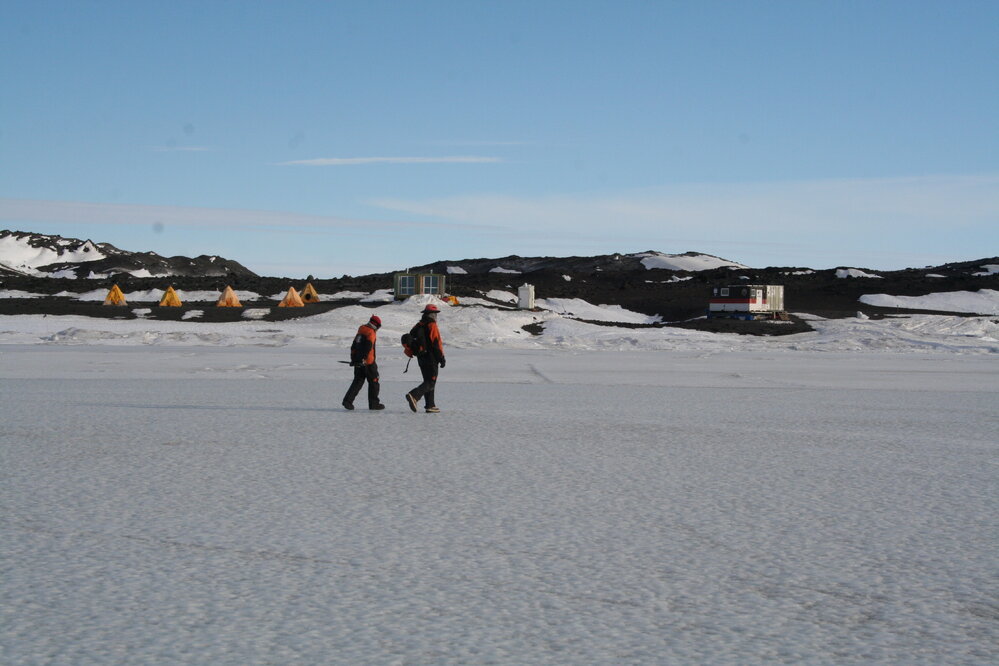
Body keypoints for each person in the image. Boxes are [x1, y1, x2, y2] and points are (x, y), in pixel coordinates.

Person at [405, 304, 446, 413]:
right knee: (431, 382)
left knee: (428, 381)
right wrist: (441, 357)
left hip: (421, 357)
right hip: (431, 358)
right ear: (432, 314)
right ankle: (414, 395)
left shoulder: (418, 325)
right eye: (435, 314)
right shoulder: (431, 325)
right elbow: (436, 342)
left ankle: (430, 405)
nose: (436, 316)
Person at [342, 314, 385, 411]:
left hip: (358, 360)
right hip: (368, 362)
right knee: (374, 381)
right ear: (376, 325)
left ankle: (347, 401)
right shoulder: (371, 333)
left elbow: (354, 346)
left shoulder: (361, 329)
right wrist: (364, 359)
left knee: (358, 381)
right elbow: (368, 348)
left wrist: (354, 359)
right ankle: (374, 404)